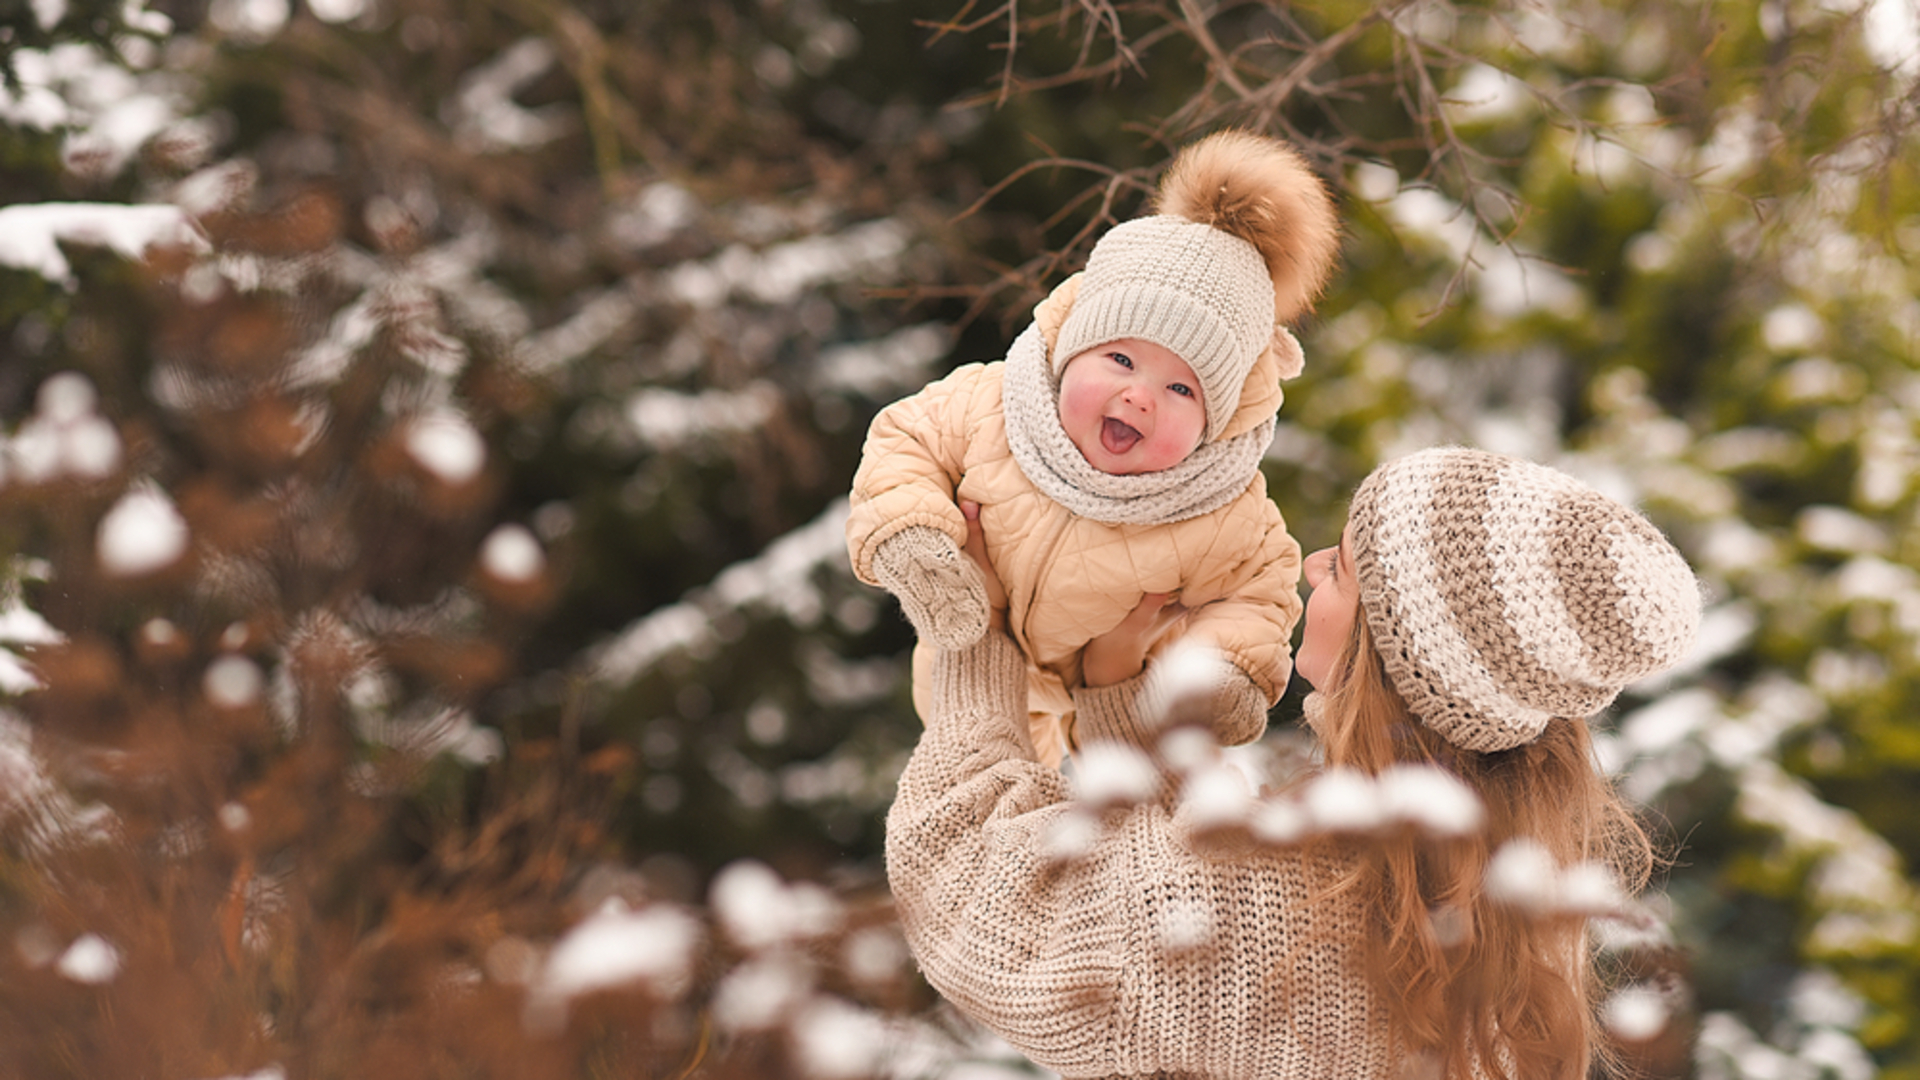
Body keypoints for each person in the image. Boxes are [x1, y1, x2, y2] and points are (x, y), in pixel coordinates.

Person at [885, 447, 1702, 1080]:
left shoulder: (1287, 905)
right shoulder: (1492, 923)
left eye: (1342, 567)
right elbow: (1183, 972)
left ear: (1390, 657)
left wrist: (973, 630)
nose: (1313, 566)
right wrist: (1126, 704)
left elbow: (957, 886)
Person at [845, 130, 1342, 767]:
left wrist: (1220, 673)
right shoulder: (992, 404)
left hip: (1111, 705)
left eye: (1181, 388)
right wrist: (914, 537)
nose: (1140, 396)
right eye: (1121, 358)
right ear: (1072, 347)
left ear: (1215, 423)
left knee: (1085, 823)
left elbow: (1259, 592)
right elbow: (903, 439)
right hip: (960, 653)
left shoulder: (1221, 509)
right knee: (978, 794)